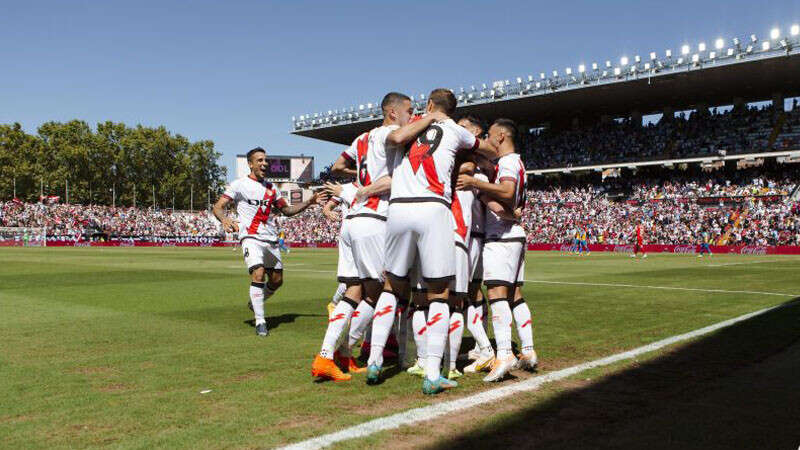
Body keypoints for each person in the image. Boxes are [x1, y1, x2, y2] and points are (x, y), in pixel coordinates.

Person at [373, 88, 494, 394]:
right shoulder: (455, 129)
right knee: (439, 292)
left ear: (428, 104)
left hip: (399, 208)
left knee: (392, 285)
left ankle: (374, 362)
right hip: (432, 208)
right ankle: (432, 374)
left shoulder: (407, 125)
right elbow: (490, 149)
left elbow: (396, 140)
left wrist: (426, 117)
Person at [311, 92, 414, 382]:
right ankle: (344, 350)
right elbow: (397, 178)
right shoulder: (395, 133)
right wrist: (368, 187)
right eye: (408, 110)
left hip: (351, 220)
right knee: (381, 292)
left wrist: (360, 181)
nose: (411, 116)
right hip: (374, 219)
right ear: (393, 113)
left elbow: (337, 167)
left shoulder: (362, 138)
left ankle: (329, 356)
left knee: (353, 290)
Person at [457, 118, 538, 382]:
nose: (489, 140)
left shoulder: (509, 161)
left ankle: (504, 353)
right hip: (511, 233)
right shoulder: (512, 162)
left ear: (501, 136)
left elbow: (506, 191)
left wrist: (476, 185)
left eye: (491, 135)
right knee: (514, 294)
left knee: (496, 293)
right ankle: (527, 350)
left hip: (501, 235)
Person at [212, 147, 320, 337]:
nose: (264, 164)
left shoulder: (272, 189)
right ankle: (260, 321)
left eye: (265, 160)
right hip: (250, 237)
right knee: (258, 273)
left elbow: (287, 211)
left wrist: (309, 203)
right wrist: (224, 219)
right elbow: (218, 207)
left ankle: (256, 300)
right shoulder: (239, 185)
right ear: (250, 164)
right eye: (260, 160)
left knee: (277, 281)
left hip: (270, 239)